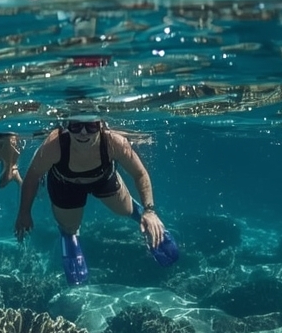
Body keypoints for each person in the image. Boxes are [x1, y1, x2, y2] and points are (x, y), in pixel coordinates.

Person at [13, 114, 171, 284]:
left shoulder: (114, 142)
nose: (83, 133)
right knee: (70, 225)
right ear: (67, 126)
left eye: (91, 126)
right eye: (76, 126)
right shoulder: (54, 145)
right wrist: (24, 212)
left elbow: (140, 173)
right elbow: (32, 177)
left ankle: (140, 215)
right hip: (64, 183)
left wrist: (149, 210)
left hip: (102, 178)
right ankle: (69, 235)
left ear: (101, 125)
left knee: (124, 209)